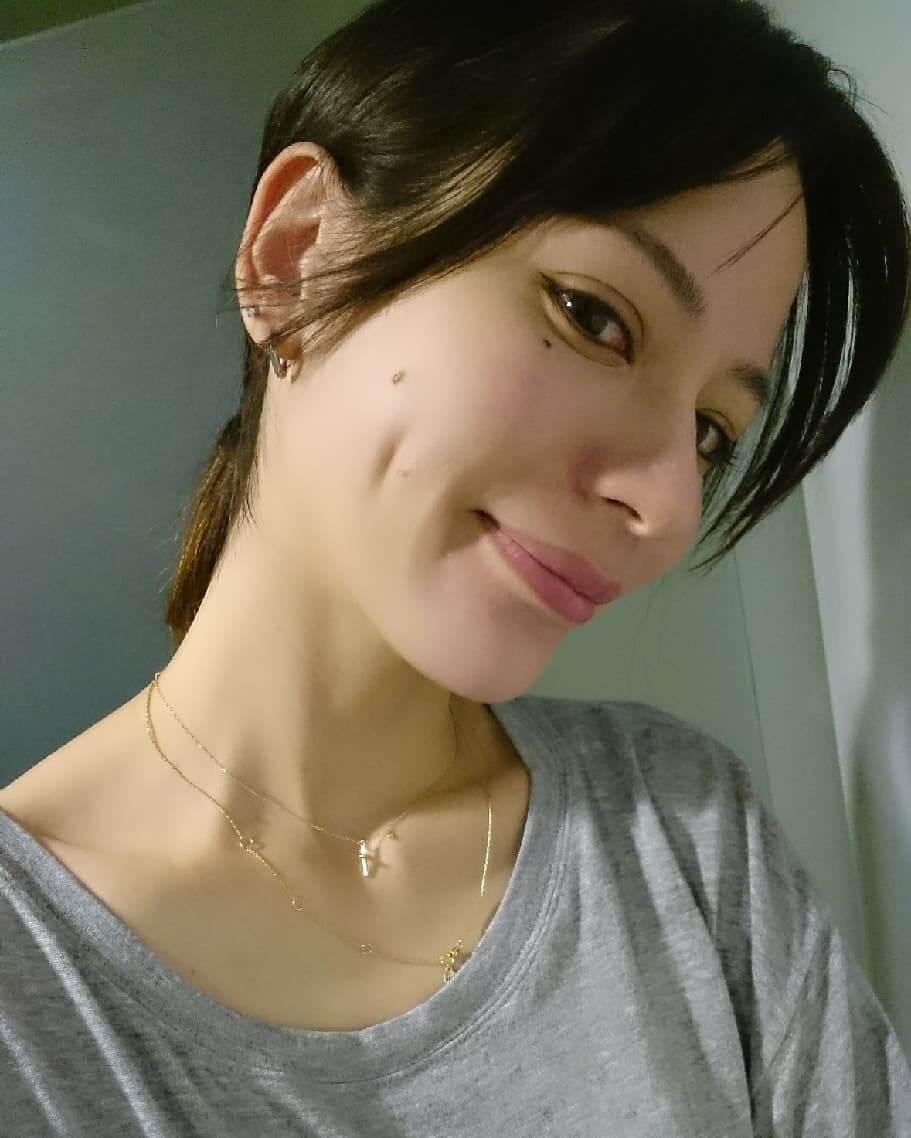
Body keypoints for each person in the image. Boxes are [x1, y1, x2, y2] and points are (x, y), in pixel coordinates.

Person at [1, 0, 910, 1132]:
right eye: (593, 316)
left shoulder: (679, 830)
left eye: (710, 429)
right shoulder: (30, 986)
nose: (669, 504)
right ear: (298, 256)